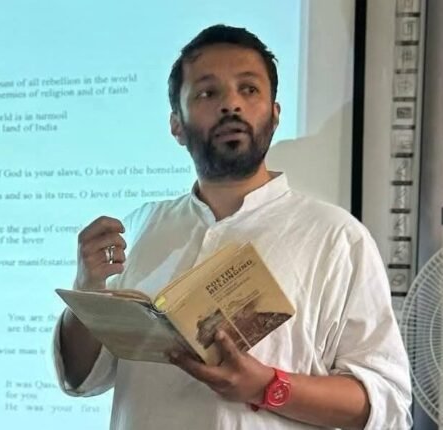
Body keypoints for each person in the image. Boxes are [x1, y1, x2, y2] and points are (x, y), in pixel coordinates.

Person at [52, 24, 412, 429]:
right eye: (208, 93)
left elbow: (387, 405)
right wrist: (87, 288)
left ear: (275, 115)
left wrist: (267, 386)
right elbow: (80, 379)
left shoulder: (336, 237)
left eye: (249, 89)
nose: (231, 105)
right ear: (176, 125)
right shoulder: (138, 229)